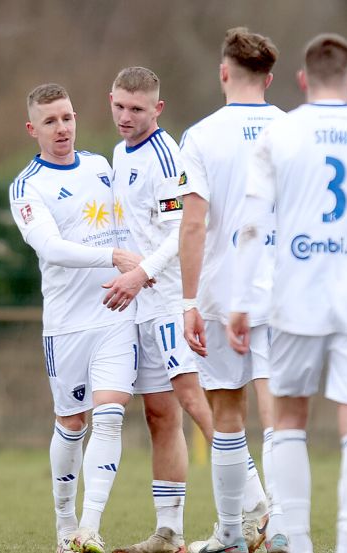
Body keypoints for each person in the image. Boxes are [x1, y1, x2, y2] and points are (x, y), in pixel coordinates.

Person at [228, 33, 347, 553]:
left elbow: (251, 225)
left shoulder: (280, 134)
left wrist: (242, 300)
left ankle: (303, 543)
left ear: (303, 80)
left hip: (295, 300)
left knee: (288, 421)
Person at [9, 83, 141, 553]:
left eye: (67, 117)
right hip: (66, 324)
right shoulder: (27, 187)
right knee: (72, 422)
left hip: (115, 313)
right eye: (50, 121)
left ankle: (89, 527)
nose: (62, 128)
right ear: (33, 129)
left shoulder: (101, 166)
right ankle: (64, 523)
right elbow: (51, 249)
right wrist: (113, 258)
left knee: (109, 417)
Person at [176, 28, 285, 553]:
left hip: (222, 292)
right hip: (286, 291)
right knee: (280, 413)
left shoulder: (199, 136)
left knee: (227, 415)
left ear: (224, 72)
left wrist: (188, 301)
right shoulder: (294, 130)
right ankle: (281, 525)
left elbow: (192, 225)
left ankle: (231, 535)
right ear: (270, 77)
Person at [99, 67, 214, 553]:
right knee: (159, 415)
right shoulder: (118, 153)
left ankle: (261, 510)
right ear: (110, 100)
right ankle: (169, 532)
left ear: (157, 109)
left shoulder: (168, 156)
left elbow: (180, 231)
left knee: (195, 401)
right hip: (141, 302)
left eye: (137, 109)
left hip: (168, 296)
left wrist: (142, 273)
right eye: (120, 106)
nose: (126, 117)